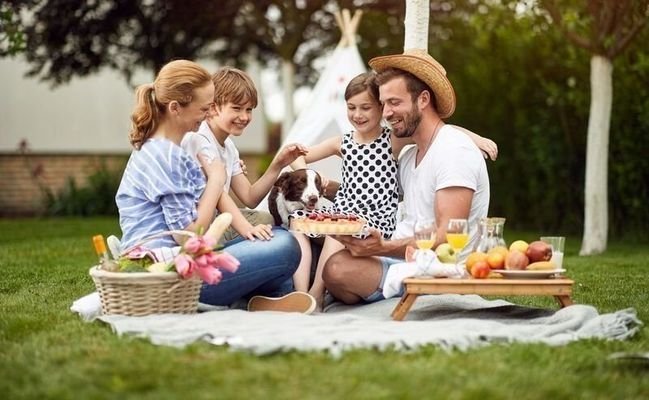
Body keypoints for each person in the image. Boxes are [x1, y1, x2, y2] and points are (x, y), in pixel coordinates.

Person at [115, 60, 315, 313]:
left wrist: (241, 220)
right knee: (284, 246)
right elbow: (189, 238)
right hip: (165, 275)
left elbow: (220, 204)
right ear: (176, 108)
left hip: (179, 260)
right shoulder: (167, 155)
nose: (208, 114)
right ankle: (265, 297)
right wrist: (216, 178)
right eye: (205, 108)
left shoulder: (171, 149)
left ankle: (270, 299)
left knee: (276, 238)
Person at [291, 71, 496, 310]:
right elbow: (372, 187)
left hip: (432, 266)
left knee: (336, 269)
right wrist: (324, 187)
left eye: (394, 102)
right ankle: (301, 294)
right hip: (397, 250)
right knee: (299, 243)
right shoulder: (409, 155)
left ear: (423, 100)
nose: (387, 113)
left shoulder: (454, 152)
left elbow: (448, 236)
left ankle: (316, 296)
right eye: (384, 103)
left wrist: (384, 247)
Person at [181, 67, 300, 244]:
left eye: (249, 109)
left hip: (214, 220)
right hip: (193, 226)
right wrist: (248, 229)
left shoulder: (229, 147)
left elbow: (250, 197)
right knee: (275, 241)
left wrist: (277, 165)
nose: (244, 117)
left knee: (266, 220)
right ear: (213, 108)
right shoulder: (199, 139)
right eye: (236, 108)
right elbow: (220, 196)